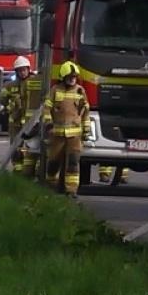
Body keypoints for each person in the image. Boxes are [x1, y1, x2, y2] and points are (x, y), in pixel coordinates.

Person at [43, 61, 89, 196]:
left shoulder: (81, 91)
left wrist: (86, 130)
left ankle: (71, 190)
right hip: (57, 134)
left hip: (74, 135)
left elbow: (86, 111)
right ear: (63, 77)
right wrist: (48, 123)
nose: (72, 79)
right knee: (53, 162)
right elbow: (46, 108)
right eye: (69, 76)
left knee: (73, 162)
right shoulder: (55, 90)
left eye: (74, 77)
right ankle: (51, 186)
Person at [1, 55, 44, 175]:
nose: (22, 72)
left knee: (31, 146)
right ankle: (18, 170)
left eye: (24, 69)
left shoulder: (35, 82)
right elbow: (3, 100)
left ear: (28, 69)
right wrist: (11, 104)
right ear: (16, 71)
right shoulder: (9, 86)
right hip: (15, 121)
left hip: (31, 122)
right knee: (16, 146)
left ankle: (30, 170)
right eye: (19, 70)